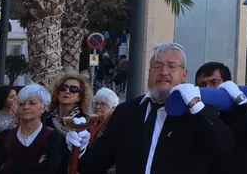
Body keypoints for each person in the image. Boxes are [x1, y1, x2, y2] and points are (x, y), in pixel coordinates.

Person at [71, 42, 236, 174]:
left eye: (172, 66)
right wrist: (81, 148)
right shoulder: (126, 112)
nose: (164, 72)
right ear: (149, 72)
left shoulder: (198, 113)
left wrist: (195, 105)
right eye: (157, 66)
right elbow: (94, 166)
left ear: (184, 75)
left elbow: (225, 147)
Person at [195, 62, 247, 174]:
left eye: (214, 82)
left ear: (227, 84)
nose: (208, 88)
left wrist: (241, 101)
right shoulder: (197, 115)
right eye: (202, 85)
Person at [0, 84, 62, 174]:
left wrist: (9, 165)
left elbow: (51, 168)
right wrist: (36, 164)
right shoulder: (4, 137)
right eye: (21, 104)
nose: (26, 107)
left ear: (43, 107)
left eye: (32, 103)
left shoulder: (52, 136)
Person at [44, 71, 91, 171]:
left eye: (74, 89)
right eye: (63, 88)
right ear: (57, 93)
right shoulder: (45, 117)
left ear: (79, 97)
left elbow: (88, 155)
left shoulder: (84, 121)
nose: (67, 91)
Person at [90, 89, 118, 174]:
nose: (98, 107)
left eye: (103, 104)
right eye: (96, 103)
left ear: (113, 108)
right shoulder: (91, 122)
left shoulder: (115, 126)